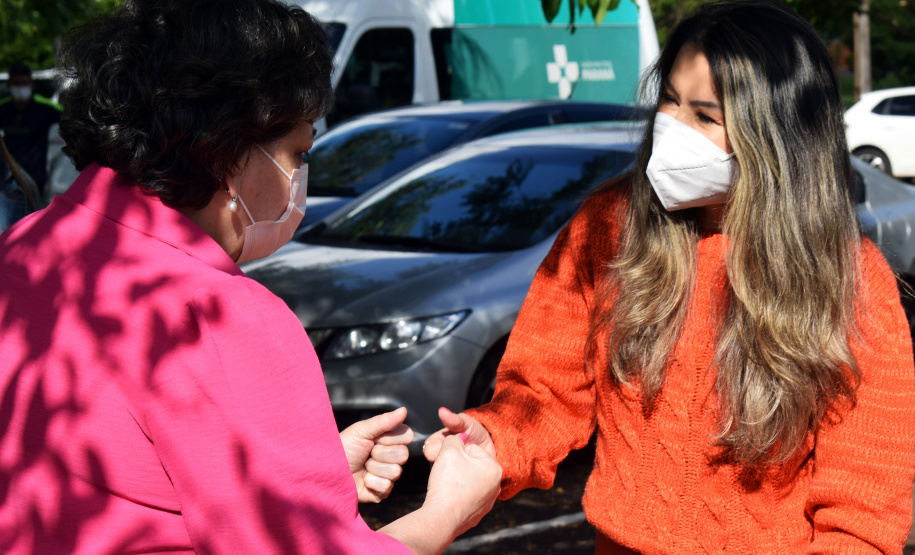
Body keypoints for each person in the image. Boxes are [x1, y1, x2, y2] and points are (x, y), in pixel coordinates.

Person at [0, 1, 500, 554]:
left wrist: (311, 475)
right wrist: (447, 510)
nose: (299, 178)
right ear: (229, 150)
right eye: (298, 150)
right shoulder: (213, 315)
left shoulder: (26, 247)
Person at [423, 1, 915, 553]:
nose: (670, 129)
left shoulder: (850, 280)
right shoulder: (607, 228)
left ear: (778, 139)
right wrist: (493, 438)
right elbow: (545, 392)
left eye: (705, 116)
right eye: (669, 101)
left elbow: (862, 511)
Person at [0, 62, 62, 227]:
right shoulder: (3, 109)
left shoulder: (45, 108)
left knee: (32, 225)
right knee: (9, 226)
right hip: (8, 177)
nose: (20, 87)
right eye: (16, 83)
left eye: (24, 83)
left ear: (31, 84)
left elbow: (70, 121)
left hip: (35, 178)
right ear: (9, 85)